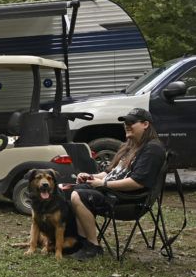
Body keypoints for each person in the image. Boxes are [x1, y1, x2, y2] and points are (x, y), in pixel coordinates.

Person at [68, 108, 166, 261]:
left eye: (132, 122)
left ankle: (93, 246)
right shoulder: (129, 146)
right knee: (71, 190)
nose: (127, 125)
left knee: (78, 195)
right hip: (112, 192)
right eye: (125, 123)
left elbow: (137, 183)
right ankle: (79, 242)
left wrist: (104, 184)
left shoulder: (152, 149)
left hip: (129, 200)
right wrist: (90, 177)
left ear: (145, 124)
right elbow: (108, 173)